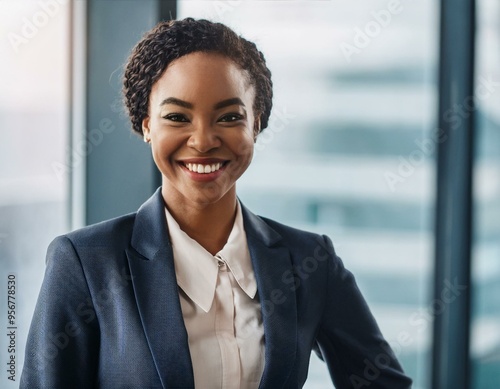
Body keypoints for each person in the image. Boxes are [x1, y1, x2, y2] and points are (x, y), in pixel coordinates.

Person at [21, 18, 412, 389]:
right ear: (146, 125)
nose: (204, 140)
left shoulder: (310, 262)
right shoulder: (86, 262)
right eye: (177, 116)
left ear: (255, 124)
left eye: (228, 117)